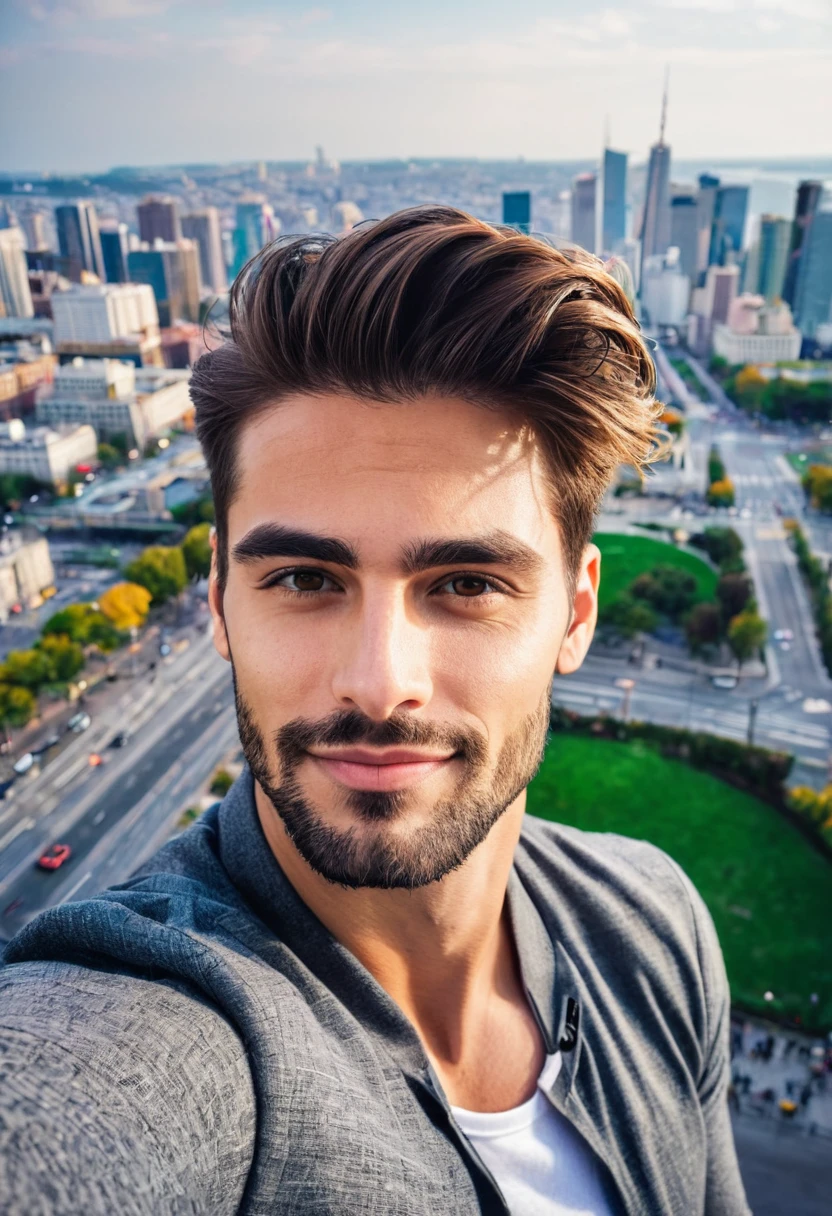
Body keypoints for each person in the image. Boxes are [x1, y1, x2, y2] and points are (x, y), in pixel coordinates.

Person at [0, 207, 750, 1215]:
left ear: (575, 613)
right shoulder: (153, 1027)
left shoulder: (653, 925)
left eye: (466, 584)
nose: (377, 680)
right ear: (220, 599)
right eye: (307, 578)